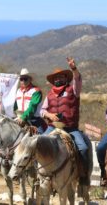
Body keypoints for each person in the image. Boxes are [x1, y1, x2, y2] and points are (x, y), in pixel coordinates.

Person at [40, 57, 90, 185]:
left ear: (66, 78)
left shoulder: (73, 90)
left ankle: (83, 174)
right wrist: (49, 115)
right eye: (55, 78)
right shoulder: (50, 94)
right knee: (38, 145)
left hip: (70, 128)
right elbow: (42, 110)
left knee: (83, 148)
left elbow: (78, 79)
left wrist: (73, 68)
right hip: (53, 127)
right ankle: (39, 175)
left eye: (60, 77)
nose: (58, 79)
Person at [14, 68, 46, 133]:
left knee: (43, 139)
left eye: (25, 79)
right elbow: (15, 106)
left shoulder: (36, 91)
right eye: (21, 79)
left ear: (30, 79)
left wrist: (23, 117)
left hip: (34, 121)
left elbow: (32, 107)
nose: (23, 81)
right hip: (19, 119)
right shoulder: (18, 91)